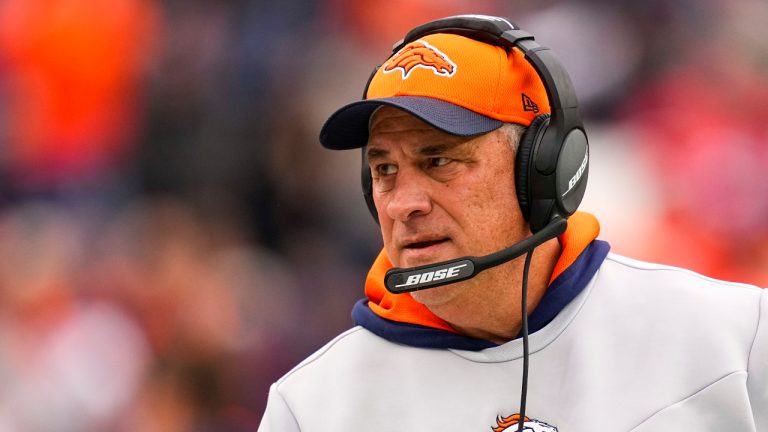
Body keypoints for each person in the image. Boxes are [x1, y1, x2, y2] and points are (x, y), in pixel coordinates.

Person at [258, 14, 767, 431]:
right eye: (385, 169)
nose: (401, 204)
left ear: (544, 172)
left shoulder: (733, 338)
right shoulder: (312, 409)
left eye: (439, 161)